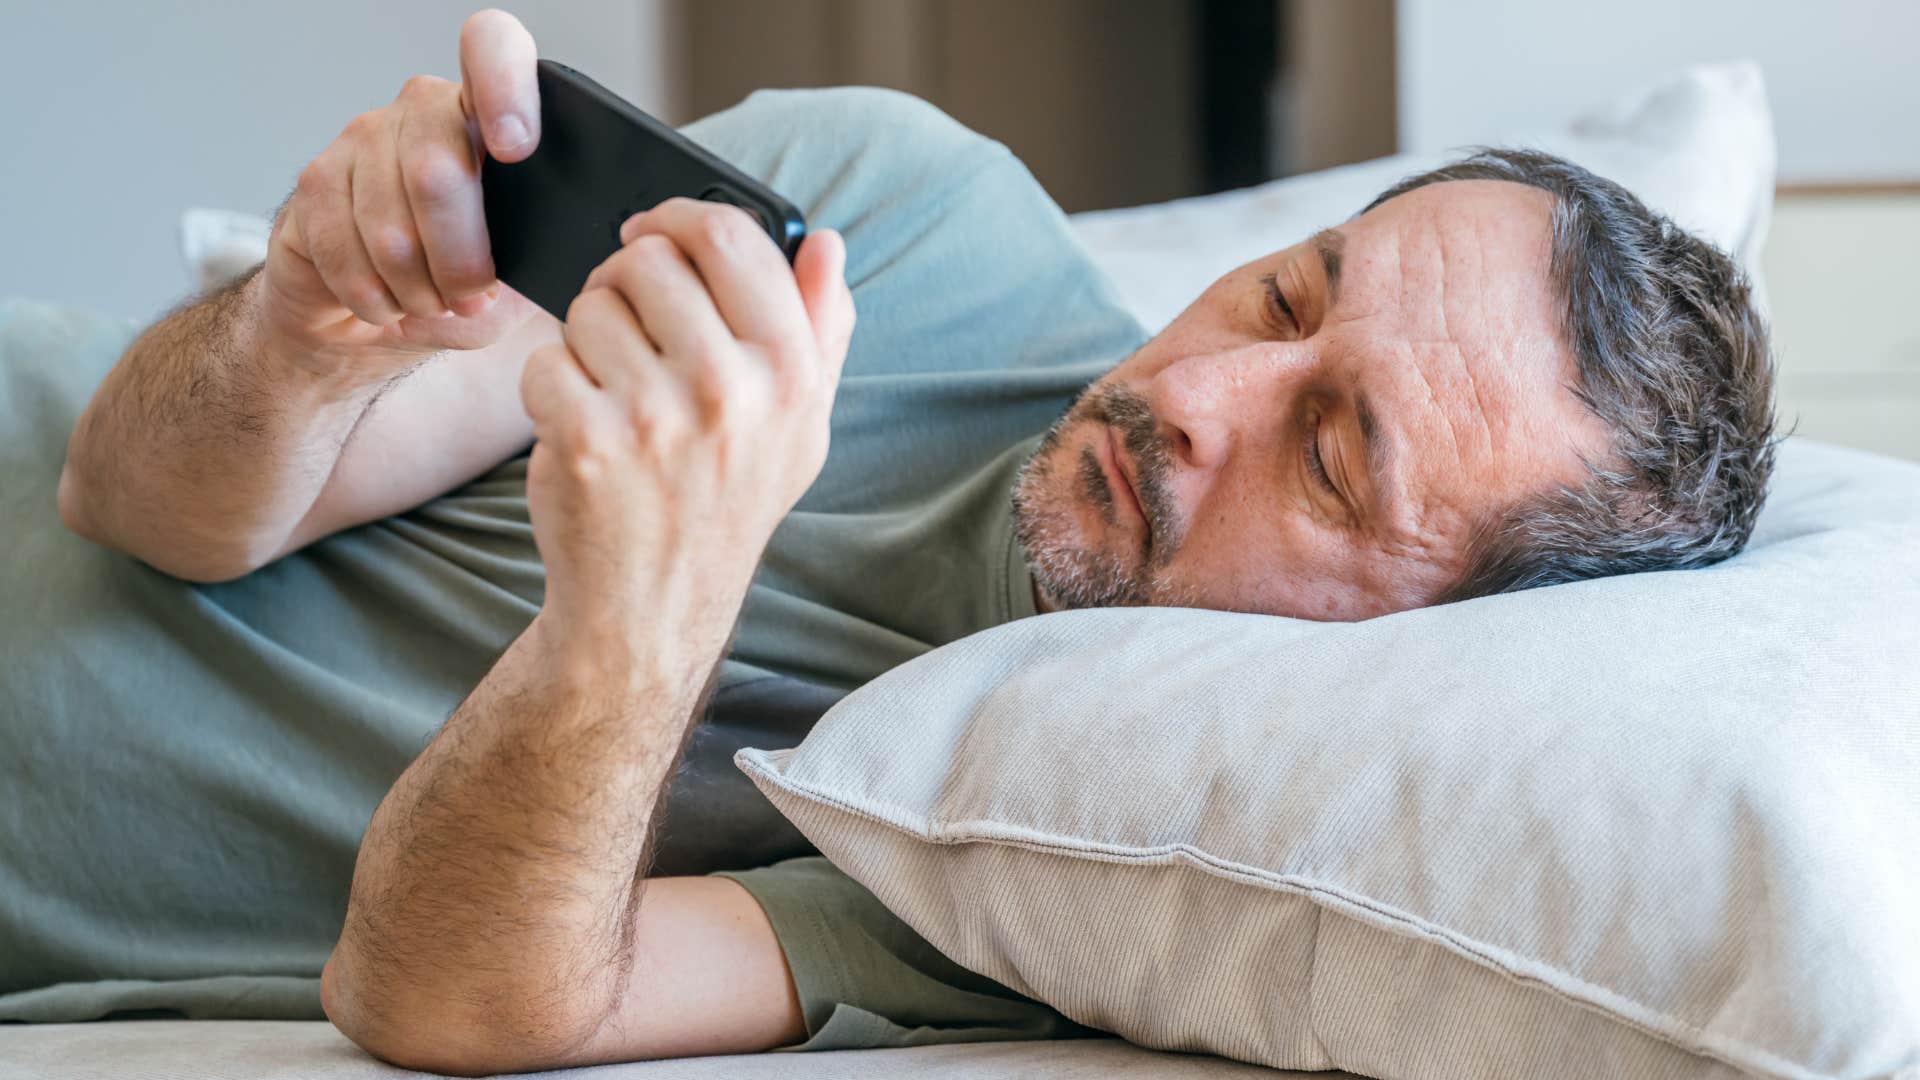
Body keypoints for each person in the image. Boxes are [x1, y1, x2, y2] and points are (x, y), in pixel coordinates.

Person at [30, 8, 1775, 1074]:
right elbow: (142, 497)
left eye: (1328, 458)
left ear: (1445, 638)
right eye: (1288, 294)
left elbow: (437, 996)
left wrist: (646, 607)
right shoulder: (903, 210)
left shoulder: (1057, 862)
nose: (1204, 391)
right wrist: (311, 325)